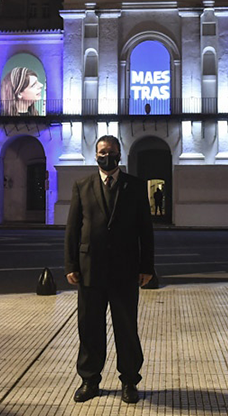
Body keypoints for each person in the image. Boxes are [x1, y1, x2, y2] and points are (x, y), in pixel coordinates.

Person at [64, 135, 155, 404]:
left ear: (120, 155)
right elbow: (72, 229)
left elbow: (145, 231)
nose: (107, 156)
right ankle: (89, 379)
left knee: (126, 328)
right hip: (89, 268)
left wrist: (146, 266)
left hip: (126, 270)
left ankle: (129, 381)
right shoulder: (82, 185)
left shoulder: (136, 187)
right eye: (103, 152)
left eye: (112, 152)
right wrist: (70, 264)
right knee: (89, 328)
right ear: (95, 156)